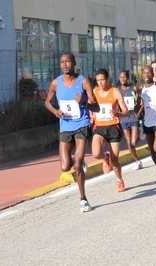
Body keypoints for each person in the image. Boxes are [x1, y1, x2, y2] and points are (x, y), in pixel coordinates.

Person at [45, 53, 99, 213]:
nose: (64, 64)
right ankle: (79, 163)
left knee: (76, 164)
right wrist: (55, 111)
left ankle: (83, 199)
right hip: (65, 126)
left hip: (82, 125)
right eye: (62, 62)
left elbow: (96, 107)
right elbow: (47, 102)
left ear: (74, 63)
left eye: (67, 61)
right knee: (65, 166)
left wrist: (83, 102)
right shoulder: (55, 83)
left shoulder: (84, 81)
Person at [91, 68, 129, 192]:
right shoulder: (94, 92)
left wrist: (118, 114)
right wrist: (91, 114)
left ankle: (119, 180)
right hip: (99, 127)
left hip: (113, 127)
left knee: (115, 159)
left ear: (107, 79)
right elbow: (90, 107)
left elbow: (126, 112)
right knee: (96, 153)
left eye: (102, 80)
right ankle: (104, 157)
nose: (100, 83)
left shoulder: (115, 92)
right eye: (98, 80)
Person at [118, 70, 143, 170]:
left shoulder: (133, 88)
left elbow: (141, 102)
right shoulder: (118, 90)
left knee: (134, 142)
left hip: (133, 117)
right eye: (121, 77)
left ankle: (140, 129)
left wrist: (139, 113)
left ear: (128, 78)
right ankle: (137, 161)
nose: (122, 79)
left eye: (124, 77)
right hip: (124, 119)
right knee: (128, 142)